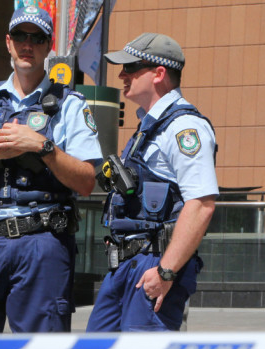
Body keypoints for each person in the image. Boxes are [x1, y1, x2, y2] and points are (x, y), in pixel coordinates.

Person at [0, 6, 103, 333]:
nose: (27, 45)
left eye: (37, 38)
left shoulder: (70, 104)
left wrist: (41, 146)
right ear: (8, 42)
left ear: (48, 47)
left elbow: (87, 182)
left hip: (42, 244)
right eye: (20, 36)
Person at [86, 33, 218, 332]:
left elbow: (201, 205)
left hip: (153, 265)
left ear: (159, 74)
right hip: (126, 265)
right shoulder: (149, 126)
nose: (122, 74)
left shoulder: (185, 128)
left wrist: (166, 271)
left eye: (131, 67)